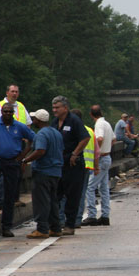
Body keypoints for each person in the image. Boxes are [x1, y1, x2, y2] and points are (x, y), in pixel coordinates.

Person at [0, 103, 35, 237]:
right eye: (5, 111)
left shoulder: (19, 126)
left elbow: (32, 139)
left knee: (10, 194)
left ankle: (6, 226)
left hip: (13, 162)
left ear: (12, 113)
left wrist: (23, 156)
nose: (7, 114)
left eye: (9, 112)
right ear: (1, 112)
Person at [50, 96, 90, 235]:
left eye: (57, 108)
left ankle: (70, 224)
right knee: (55, 194)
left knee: (72, 195)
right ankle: (55, 224)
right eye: (53, 107)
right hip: (58, 164)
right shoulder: (55, 122)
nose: (54, 110)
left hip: (73, 164)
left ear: (65, 108)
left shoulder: (74, 120)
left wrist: (75, 154)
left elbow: (85, 138)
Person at [22, 109, 63, 239]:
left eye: (34, 119)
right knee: (52, 201)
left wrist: (26, 160)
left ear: (38, 121)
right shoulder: (56, 133)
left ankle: (42, 229)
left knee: (42, 201)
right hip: (56, 171)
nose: (33, 121)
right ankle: (55, 227)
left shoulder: (41, 134)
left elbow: (40, 151)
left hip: (43, 171)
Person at [58, 109, 97, 229]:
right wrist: (97, 166)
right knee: (80, 194)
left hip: (74, 164)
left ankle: (63, 219)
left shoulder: (71, 130)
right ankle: (77, 220)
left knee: (65, 194)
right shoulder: (90, 130)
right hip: (87, 166)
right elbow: (97, 151)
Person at [83, 105, 115, 226]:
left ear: (91, 115)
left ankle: (91, 215)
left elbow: (99, 138)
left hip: (101, 159)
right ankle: (105, 216)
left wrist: (97, 151)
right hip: (107, 157)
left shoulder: (99, 125)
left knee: (90, 187)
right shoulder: (107, 123)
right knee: (104, 188)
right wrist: (107, 148)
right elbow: (113, 139)